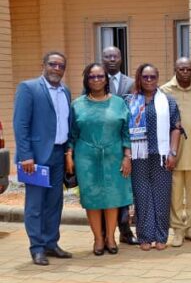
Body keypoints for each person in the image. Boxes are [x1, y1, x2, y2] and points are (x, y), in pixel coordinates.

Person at [13, 52, 73, 266]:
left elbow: (67, 122)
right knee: (36, 204)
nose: (57, 68)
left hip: (58, 154)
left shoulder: (65, 90)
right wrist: (26, 156)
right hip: (36, 159)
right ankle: (37, 248)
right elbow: (20, 125)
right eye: (52, 64)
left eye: (61, 65)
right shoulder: (28, 88)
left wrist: (68, 153)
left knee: (54, 203)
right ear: (44, 65)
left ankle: (51, 243)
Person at [67, 63, 132, 256]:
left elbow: (126, 132)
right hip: (86, 157)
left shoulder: (119, 103)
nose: (97, 80)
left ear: (106, 79)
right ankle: (98, 239)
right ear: (87, 80)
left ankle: (111, 238)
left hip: (114, 156)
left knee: (112, 197)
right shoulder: (77, 104)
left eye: (100, 76)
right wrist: (69, 155)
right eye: (92, 77)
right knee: (92, 198)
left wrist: (127, 156)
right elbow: (72, 133)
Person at [127, 64, 181, 251]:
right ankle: (144, 236)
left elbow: (176, 128)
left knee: (161, 195)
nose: (149, 80)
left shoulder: (168, 101)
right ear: (139, 79)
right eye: (145, 77)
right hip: (138, 155)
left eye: (152, 77)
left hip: (162, 155)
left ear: (158, 78)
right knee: (142, 196)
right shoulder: (131, 102)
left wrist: (173, 152)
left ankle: (161, 236)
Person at [160, 58, 191, 247]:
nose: (185, 72)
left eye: (188, 69)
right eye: (181, 69)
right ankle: (178, 229)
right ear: (175, 69)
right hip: (174, 152)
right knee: (175, 194)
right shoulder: (164, 91)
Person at [101, 46, 137, 245]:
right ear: (102, 59)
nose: (111, 59)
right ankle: (106, 235)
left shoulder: (131, 83)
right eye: (107, 56)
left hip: (124, 144)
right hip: (102, 146)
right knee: (106, 190)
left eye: (115, 56)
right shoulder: (94, 81)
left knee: (123, 189)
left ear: (121, 59)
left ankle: (125, 231)